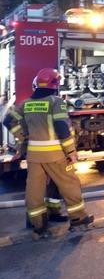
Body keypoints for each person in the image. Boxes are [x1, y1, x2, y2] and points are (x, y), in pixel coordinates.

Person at [3, 68, 93, 238]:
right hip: (55, 155)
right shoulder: (55, 102)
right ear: (55, 84)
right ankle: (78, 218)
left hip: (34, 156)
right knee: (69, 184)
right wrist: (71, 151)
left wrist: (22, 138)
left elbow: (8, 120)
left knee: (34, 189)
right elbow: (61, 127)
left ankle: (39, 224)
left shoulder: (26, 103)